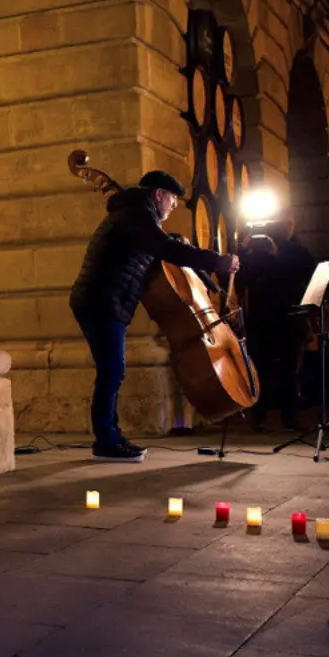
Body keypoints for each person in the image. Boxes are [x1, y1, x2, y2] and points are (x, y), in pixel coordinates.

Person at [69, 171, 239, 462]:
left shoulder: (136, 216)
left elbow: (163, 246)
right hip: (101, 301)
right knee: (112, 371)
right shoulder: (137, 215)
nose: (174, 205)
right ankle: (106, 441)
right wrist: (217, 262)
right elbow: (166, 249)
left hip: (105, 302)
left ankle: (111, 436)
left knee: (112, 371)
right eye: (172, 198)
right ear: (159, 194)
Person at [236, 216, 316, 431]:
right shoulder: (256, 251)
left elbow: (305, 274)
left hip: (289, 317)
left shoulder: (297, 251)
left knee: (289, 369)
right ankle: (259, 416)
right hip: (262, 317)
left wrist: (276, 256)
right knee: (259, 367)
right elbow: (242, 279)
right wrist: (243, 251)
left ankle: (290, 417)